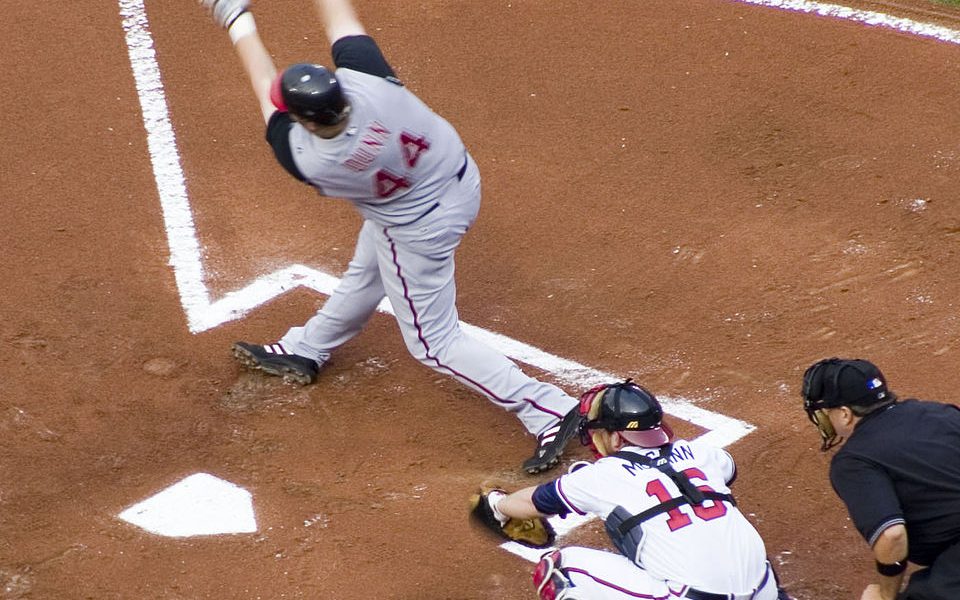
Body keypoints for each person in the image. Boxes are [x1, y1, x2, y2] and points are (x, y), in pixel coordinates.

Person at [197, 0, 580, 473]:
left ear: (309, 123)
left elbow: (263, 89)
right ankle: (308, 347)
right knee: (369, 268)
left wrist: (236, 17)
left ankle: (548, 408)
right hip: (459, 180)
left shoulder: (314, 161)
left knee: (433, 342)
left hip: (418, 227)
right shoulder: (371, 83)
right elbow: (342, 21)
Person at [476, 379, 789, 600]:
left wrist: (497, 504)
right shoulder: (704, 455)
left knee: (559, 570)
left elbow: (531, 502)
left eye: (598, 432)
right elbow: (728, 468)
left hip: (690, 596)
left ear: (615, 439)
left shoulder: (599, 476)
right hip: (763, 591)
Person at [801, 357, 960, 600]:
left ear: (844, 414)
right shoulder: (938, 412)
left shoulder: (853, 460)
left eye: (825, 411)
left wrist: (885, 595)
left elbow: (892, 535)